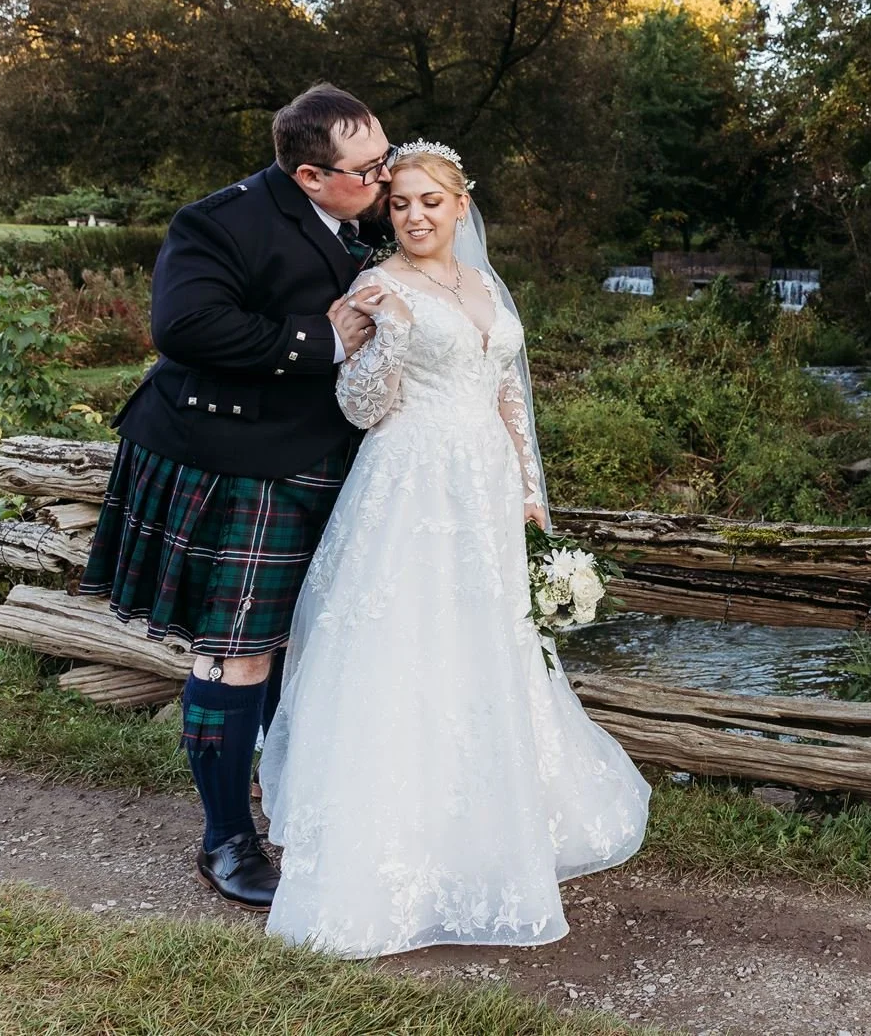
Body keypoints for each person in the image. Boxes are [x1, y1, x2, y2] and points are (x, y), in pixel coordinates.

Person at [260, 141, 649, 957]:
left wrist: (532, 493)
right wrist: (392, 338)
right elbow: (360, 404)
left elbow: (509, 392)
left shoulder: (484, 287)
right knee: (408, 643)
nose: (413, 216)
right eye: (399, 203)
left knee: (486, 645)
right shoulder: (377, 286)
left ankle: (490, 817)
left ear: (460, 205)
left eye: (429, 201)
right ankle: (401, 839)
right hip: (409, 483)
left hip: (485, 486)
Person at [78, 83, 395, 909]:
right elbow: (183, 326)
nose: (386, 179)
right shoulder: (219, 221)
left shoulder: (370, 214)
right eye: (370, 168)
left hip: (330, 457)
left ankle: (288, 800)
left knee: (309, 647)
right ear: (310, 177)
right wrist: (320, 338)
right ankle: (225, 838)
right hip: (233, 459)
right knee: (237, 652)